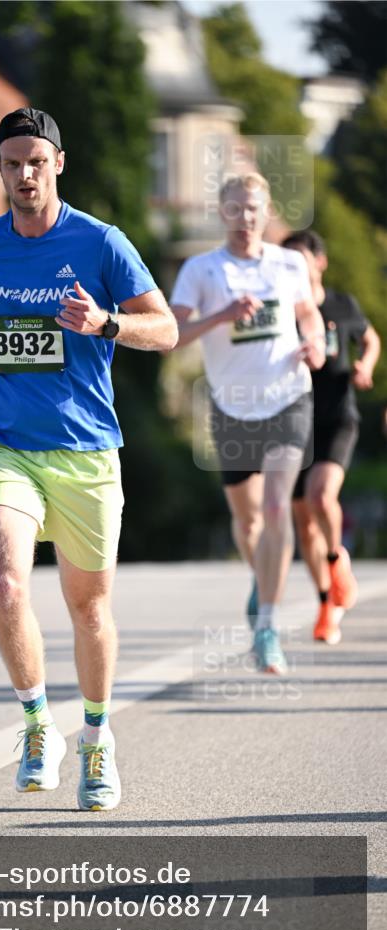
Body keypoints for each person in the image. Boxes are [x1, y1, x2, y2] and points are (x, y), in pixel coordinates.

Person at [0, 107, 178, 810]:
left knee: (89, 607)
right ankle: (38, 724)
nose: (23, 175)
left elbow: (164, 329)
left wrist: (106, 322)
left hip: (84, 450)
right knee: (9, 586)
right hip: (3, 443)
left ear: (57, 164)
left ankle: (97, 739)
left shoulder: (101, 243)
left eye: (35, 163)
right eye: (11, 163)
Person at [169, 173, 325, 674]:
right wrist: (222, 316)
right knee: (249, 521)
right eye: (235, 209)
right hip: (232, 408)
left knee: (279, 506)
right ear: (222, 213)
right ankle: (263, 576)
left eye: (253, 209)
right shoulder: (201, 270)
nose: (245, 219)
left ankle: (267, 629)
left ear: (267, 211)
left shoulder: (289, 263)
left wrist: (316, 343)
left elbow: (309, 315)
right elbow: (172, 334)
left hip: (288, 398)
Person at [282, 230, 381, 644]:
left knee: (323, 497)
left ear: (319, 262)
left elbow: (370, 338)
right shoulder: (280, 311)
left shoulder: (343, 304)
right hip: (293, 420)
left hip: (338, 417)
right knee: (304, 522)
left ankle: (338, 561)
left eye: (298, 260)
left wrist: (365, 366)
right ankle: (327, 603)